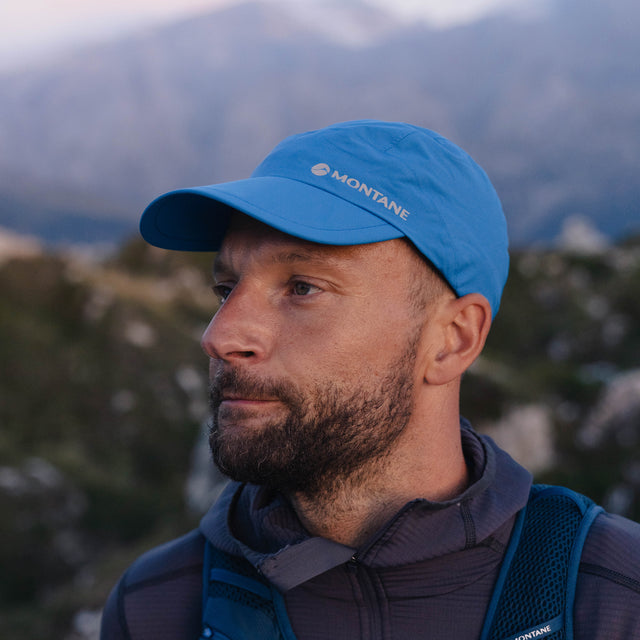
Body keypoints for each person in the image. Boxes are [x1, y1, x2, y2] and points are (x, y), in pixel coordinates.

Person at [100, 120, 640, 639]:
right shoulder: (156, 607)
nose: (220, 336)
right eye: (226, 288)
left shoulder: (615, 599)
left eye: (302, 287)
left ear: (453, 338)